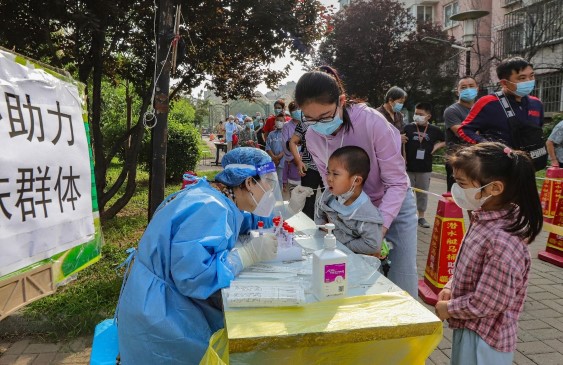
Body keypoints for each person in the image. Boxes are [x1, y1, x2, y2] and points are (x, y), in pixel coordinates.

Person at [117, 148, 283, 365]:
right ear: (249, 182)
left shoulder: (219, 197)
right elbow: (194, 277)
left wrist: (286, 211)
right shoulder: (209, 208)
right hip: (161, 318)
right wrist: (247, 255)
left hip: (160, 299)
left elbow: (245, 219)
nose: (270, 189)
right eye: (268, 181)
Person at [295, 66, 419, 297]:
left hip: (392, 204)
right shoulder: (312, 137)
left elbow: (397, 183)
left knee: (401, 278)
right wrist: (333, 217)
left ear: (341, 101)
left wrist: (378, 229)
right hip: (351, 211)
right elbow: (329, 183)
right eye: (309, 118)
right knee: (355, 274)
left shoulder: (372, 123)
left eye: (325, 116)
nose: (319, 124)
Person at [435, 142, 543, 365]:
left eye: (462, 184)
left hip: (485, 339)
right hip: (471, 325)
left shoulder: (502, 241)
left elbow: (489, 302)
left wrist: (449, 308)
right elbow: (469, 266)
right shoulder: (483, 217)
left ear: (494, 188)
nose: (457, 190)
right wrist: (450, 286)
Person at [315, 146, 390, 257]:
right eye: (328, 173)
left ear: (356, 180)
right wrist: (322, 226)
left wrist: (340, 243)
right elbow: (318, 211)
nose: (329, 179)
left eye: (335, 174)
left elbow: (372, 245)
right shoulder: (328, 196)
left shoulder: (366, 214)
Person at [458, 57, 544, 147]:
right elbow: (464, 130)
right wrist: (488, 146)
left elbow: (538, 131)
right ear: (504, 83)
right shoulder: (487, 103)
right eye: (522, 78)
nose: (529, 81)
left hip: (532, 159)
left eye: (531, 76)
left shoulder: (536, 103)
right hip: (499, 159)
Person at [403, 102, 445, 228]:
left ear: (428, 116)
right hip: (408, 167)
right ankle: (407, 217)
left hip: (425, 168)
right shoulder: (408, 128)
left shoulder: (435, 130)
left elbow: (444, 140)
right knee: (406, 194)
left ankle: (421, 217)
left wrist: (435, 147)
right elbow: (402, 144)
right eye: (416, 113)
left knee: (423, 194)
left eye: (421, 114)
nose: (417, 116)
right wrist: (403, 159)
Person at [443, 76, 479, 191]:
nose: (468, 89)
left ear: (477, 89)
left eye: (471, 86)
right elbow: (462, 133)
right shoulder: (452, 111)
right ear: (457, 92)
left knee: (476, 195)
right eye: (463, 87)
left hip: (477, 160)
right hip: (458, 161)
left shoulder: (481, 109)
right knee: (457, 198)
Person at [289, 111, 324, 221]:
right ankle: (307, 230)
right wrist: (299, 161)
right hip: (309, 167)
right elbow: (293, 142)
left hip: (329, 168)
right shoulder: (305, 123)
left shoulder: (332, 121)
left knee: (332, 200)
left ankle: (333, 231)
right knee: (308, 200)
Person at [282, 101, 302, 193]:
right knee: (294, 194)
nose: (297, 111)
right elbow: (285, 144)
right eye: (294, 110)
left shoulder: (307, 124)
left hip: (306, 162)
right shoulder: (287, 126)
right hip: (292, 162)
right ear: (290, 112)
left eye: (299, 109)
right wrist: (294, 158)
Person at [265, 113, 286, 189]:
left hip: (282, 161)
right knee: (271, 179)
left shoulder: (285, 134)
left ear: (284, 122)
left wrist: (280, 156)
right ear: (274, 121)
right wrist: (273, 157)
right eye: (277, 120)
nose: (279, 122)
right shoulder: (271, 134)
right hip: (271, 160)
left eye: (281, 120)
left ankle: (279, 196)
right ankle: (272, 196)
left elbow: (287, 147)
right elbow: (268, 146)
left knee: (280, 179)